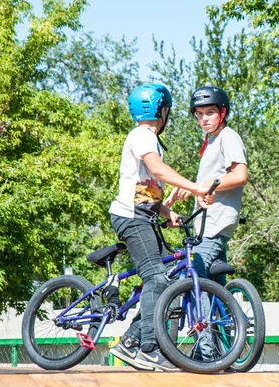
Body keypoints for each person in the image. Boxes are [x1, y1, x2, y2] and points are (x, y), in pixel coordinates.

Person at [108, 83, 213, 372]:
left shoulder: (144, 137)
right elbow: (157, 171)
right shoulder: (142, 136)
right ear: (162, 110)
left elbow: (146, 187)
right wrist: (195, 188)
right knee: (156, 279)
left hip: (142, 216)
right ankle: (148, 350)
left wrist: (166, 211)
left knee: (162, 279)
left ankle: (130, 341)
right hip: (131, 218)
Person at [165, 85, 247, 287]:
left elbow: (240, 175)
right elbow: (209, 179)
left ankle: (201, 321)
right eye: (199, 114)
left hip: (216, 222)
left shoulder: (228, 136)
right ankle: (228, 318)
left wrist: (201, 185)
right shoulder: (212, 141)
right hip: (207, 224)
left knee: (196, 275)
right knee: (215, 284)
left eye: (210, 112)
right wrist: (186, 188)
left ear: (223, 112)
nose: (204, 119)